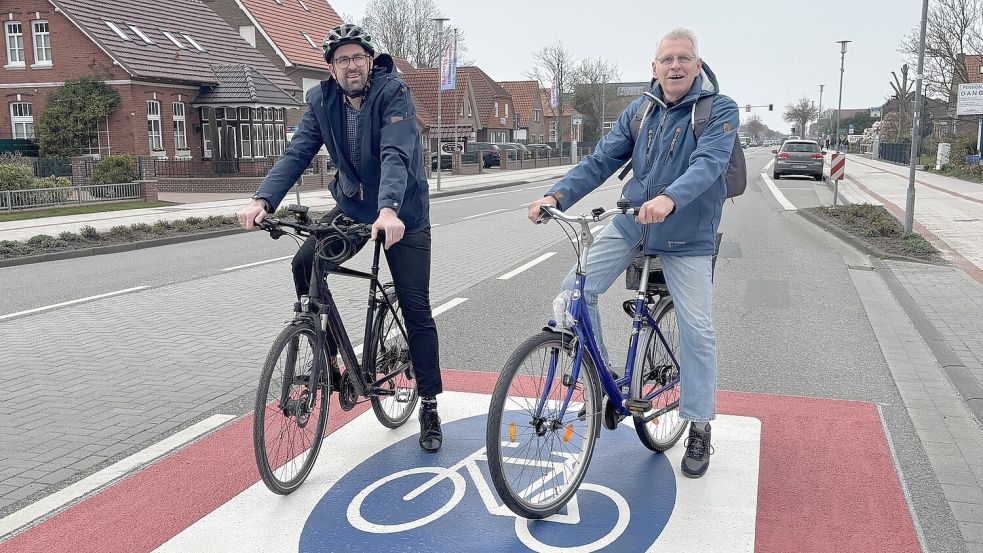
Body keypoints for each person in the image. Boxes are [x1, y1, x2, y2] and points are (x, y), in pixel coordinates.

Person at [526, 27, 738, 478]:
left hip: (688, 232)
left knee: (696, 328)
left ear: (697, 66)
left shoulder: (719, 109)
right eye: (667, 59)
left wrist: (670, 199)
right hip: (633, 221)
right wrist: (556, 197)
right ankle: (599, 384)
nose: (675, 66)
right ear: (655, 68)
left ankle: (699, 422)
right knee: (572, 295)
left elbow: (709, 164)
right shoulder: (640, 111)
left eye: (684, 58)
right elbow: (600, 160)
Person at [235, 24, 443, 452]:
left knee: (416, 307)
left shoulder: (393, 93)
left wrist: (388, 209)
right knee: (304, 263)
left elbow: (396, 154)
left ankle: (428, 404)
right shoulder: (321, 101)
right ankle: (327, 359)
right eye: (342, 60)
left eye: (358, 57)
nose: (351, 66)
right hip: (352, 208)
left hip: (402, 212)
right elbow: (298, 152)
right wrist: (262, 200)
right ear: (331, 68)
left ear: (370, 61)